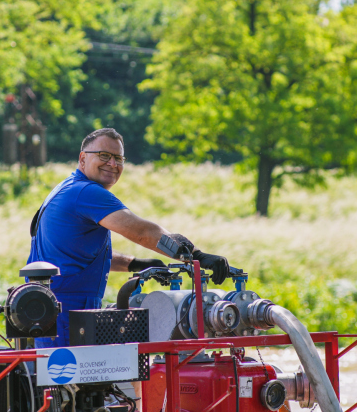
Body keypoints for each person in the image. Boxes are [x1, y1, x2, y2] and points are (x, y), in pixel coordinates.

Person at [28, 128, 230, 348]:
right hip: (69, 315)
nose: (113, 164)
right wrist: (196, 256)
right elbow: (141, 232)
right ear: (83, 158)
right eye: (104, 156)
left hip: (51, 311)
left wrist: (135, 264)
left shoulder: (64, 188)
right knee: (73, 383)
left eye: (118, 158)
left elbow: (75, 253)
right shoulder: (86, 192)